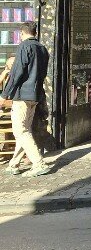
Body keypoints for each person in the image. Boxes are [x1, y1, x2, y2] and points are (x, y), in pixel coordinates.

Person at [1, 23, 52, 178]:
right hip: (35, 95)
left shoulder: (24, 47)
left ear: (22, 33)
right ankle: (14, 163)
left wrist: (5, 94)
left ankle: (38, 163)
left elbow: (17, 73)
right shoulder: (42, 49)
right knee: (25, 130)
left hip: (22, 95)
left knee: (20, 131)